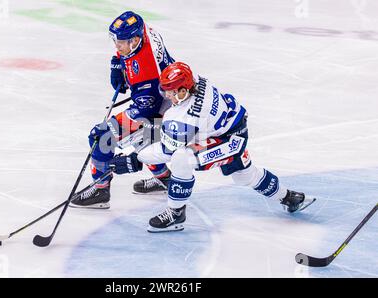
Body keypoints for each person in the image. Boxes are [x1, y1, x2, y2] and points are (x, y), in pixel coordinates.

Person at [109, 62, 316, 232]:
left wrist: (134, 159)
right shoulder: (194, 80)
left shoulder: (185, 117)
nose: (168, 96)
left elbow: (166, 151)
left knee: (182, 158)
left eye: (171, 92)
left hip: (229, 140)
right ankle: (288, 197)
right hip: (223, 128)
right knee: (246, 176)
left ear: (183, 91)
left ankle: (176, 213)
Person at [70, 11, 175, 209]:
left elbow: (145, 113)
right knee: (142, 138)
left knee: (101, 137)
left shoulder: (146, 71)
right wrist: (118, 63)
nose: (116, 45)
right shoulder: (143, 31)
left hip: (160, 108)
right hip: (162, 100)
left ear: (134, 41)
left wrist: (111, 130)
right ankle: (164, 178)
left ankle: (100, 190)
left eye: (120, 42)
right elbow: (126, 50)